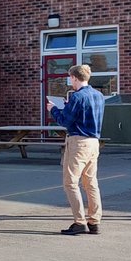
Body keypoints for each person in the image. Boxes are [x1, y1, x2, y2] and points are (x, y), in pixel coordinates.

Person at [47, 64, 104, 235]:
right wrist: (68, 106)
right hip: (94, 141)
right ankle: (94, 221)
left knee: (71, 183)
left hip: (78, 142)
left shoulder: (77, 96)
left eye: (70, 78)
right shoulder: (99, 95)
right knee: (91, 183)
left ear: (74, 77)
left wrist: (53, 109)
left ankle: (80, 222)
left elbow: (65, 121)